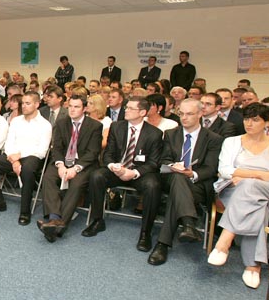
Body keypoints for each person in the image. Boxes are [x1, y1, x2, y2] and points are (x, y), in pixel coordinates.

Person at [82, 96, 163, 253]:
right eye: (126, 107)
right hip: (117, 169)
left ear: (142, 112)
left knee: (153, 185)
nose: (126, 110)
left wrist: (133, 173)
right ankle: (97, 220)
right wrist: (113, 166)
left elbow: (154, 163)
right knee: (96, 176)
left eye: (131, 108)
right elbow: (108, 154)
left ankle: (146, 232)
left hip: (140, 173)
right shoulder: (117, 127)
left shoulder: (155, 133)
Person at [147, 99, 222, 266]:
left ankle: (163, 244)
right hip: (172, 178)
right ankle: (188, 223)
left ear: (200, 114)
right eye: (181, 114)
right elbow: (164, 159)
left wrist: (192, 173)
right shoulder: (171, 134)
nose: (184, 118)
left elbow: (210, 168)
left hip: (197, 184)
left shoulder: (213, 138)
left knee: (177, 191)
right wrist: (174, 166)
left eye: (190, 114)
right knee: (178, 178)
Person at [208, 103, 269, 289]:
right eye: (246, 119)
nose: (249, 124)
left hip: (264, 189)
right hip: (234, 191)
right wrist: (258, 174)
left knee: (250, 188)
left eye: (255, 120)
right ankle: (253, 265)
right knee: (259, 207)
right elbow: (224, 170)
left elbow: (233, 171)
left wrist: (242, 175)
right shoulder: (232, 142)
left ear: (266, 122)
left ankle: (225, 240)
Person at [37, 95, 103, 242]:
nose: (72, 110)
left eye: (77, 107)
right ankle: (54, 218)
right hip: (63, 160)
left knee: (77, 184)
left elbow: (93, 152)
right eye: (70, 106)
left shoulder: (95, 126)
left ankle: (59, 225)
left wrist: (76, 168)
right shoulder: (61, 123)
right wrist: (60, 165)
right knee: (48, 177)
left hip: (83, 164)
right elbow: (57, 148)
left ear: (85, 109)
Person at [0, 91, 51, 225]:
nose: (23, 106)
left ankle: (25, 211)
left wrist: (19, 156)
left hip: (32, 157)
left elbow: (42, 151)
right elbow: (9, 142)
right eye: (22, 103)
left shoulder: (45, 125)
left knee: (27, 170)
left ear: (37, 104)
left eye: (28, 103)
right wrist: (14, 159)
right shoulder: (16, 121)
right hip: (12, 155)